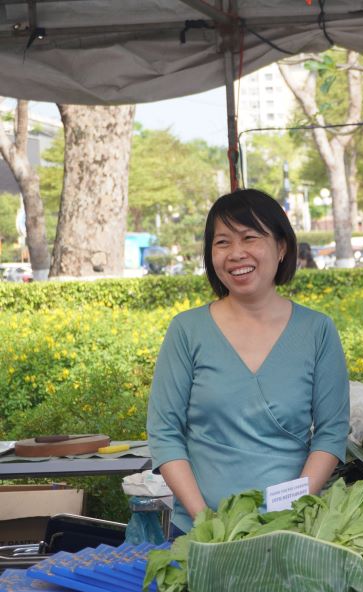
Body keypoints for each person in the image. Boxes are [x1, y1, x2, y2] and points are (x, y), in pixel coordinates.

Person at [147, 189, 350, 534]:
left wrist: (292, 515)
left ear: (282, 246)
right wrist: (205, 523)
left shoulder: (317, 330)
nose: (236, 253)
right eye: (222, 242)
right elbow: (164, 433)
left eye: (250, 237)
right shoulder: (187, 330)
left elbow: (331, 434)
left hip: (292, 529)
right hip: (199, 530)